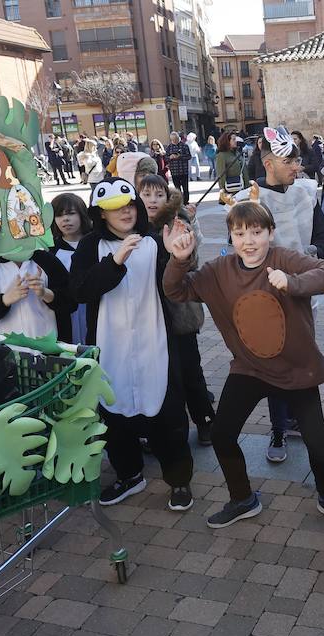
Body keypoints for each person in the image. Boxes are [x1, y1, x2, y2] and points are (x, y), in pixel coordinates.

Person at [163, 202, 324, 530]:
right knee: (222, 434)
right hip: (249, 368)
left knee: (317, 442)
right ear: (231, 237)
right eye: (239, 234)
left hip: (296, 369)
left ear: (270, 233)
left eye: (256, 232)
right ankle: (242, 499)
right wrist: (179, 260)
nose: (248, 241)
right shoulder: (218, 271)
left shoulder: (283, 259)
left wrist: (293, 283)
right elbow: (176, 290)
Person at [70, 177, 195, 511]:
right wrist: (114, 263)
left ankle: (179, 480)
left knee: (167, 414)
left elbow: (176, 287)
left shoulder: (154, 242)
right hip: (111, 346)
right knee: (114, 412)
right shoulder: (89, 247)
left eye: (128, 206)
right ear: (100, 214)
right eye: (114, 209)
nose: (124, 213)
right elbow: (79, 291)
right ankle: (129, 474)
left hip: (156, 341)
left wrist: (178, 257)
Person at [232, 126, 324, 463]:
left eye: (298, 160)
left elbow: (321, 233)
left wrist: (313, 259)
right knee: (274, 362)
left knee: (301, 357)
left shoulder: (305, 193)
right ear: (270, 162)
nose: (297, 166)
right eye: (291, 161)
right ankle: (278, 427)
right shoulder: (250, 200)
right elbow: (235, 252)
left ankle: (299, 420)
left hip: (301, 294)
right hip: (265, 300)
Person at [140, 174, 215, 446]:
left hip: (178, 313)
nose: (152, 200)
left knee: (190, 370)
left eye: (158, 195)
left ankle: (205, 420)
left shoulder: (176, 222)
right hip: (148, 315)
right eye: (146, 194)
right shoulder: (132, 226)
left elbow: (193, 262)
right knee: (158, 374)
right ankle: (156, 428)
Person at [0, 248, 73, 341]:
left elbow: (70, 302)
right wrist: (4, 300)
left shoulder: (46, 260)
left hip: (50, 345)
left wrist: (45, 293)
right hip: (6, 348)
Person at [48, 192, 93, 344]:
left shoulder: (95, 244)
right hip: (66, 315)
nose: (65, 219)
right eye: (59, 215)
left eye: (71, 213)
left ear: (82, 215)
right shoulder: (52, 252)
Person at [214, 132, 241, 203]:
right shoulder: (221, 155)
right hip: (231, 190)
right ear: (227, 141)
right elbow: (221, 175)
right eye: (233, 139)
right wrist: (223, 193)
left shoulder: (237, 153)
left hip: (241, 188)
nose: (236, 141)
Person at [165, 132, 192, 199]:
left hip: (183, 171)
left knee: (185, 188)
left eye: (176, 139)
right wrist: (170, 157)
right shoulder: (169, 147)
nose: (174, 141)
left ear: (178, 138)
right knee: (177, 189)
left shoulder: (184, 146)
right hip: (174, 171)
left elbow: (189, 156)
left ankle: (186, 201)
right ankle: (180, 202)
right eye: (173, 140)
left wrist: (180, 156)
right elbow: (166, 158)